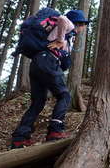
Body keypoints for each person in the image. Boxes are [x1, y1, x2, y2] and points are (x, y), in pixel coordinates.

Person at [10, 9, 89, 149]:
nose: (84, 28)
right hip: (47, 61)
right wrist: (60, 40)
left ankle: (20, 137)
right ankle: (55, 130)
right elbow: (63, 20)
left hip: (36, 64)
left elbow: (63, 58)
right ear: (79, 23)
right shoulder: (67, 26)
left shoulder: (67, 36)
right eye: (84, 24)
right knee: (64, 95)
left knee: (38, 102)